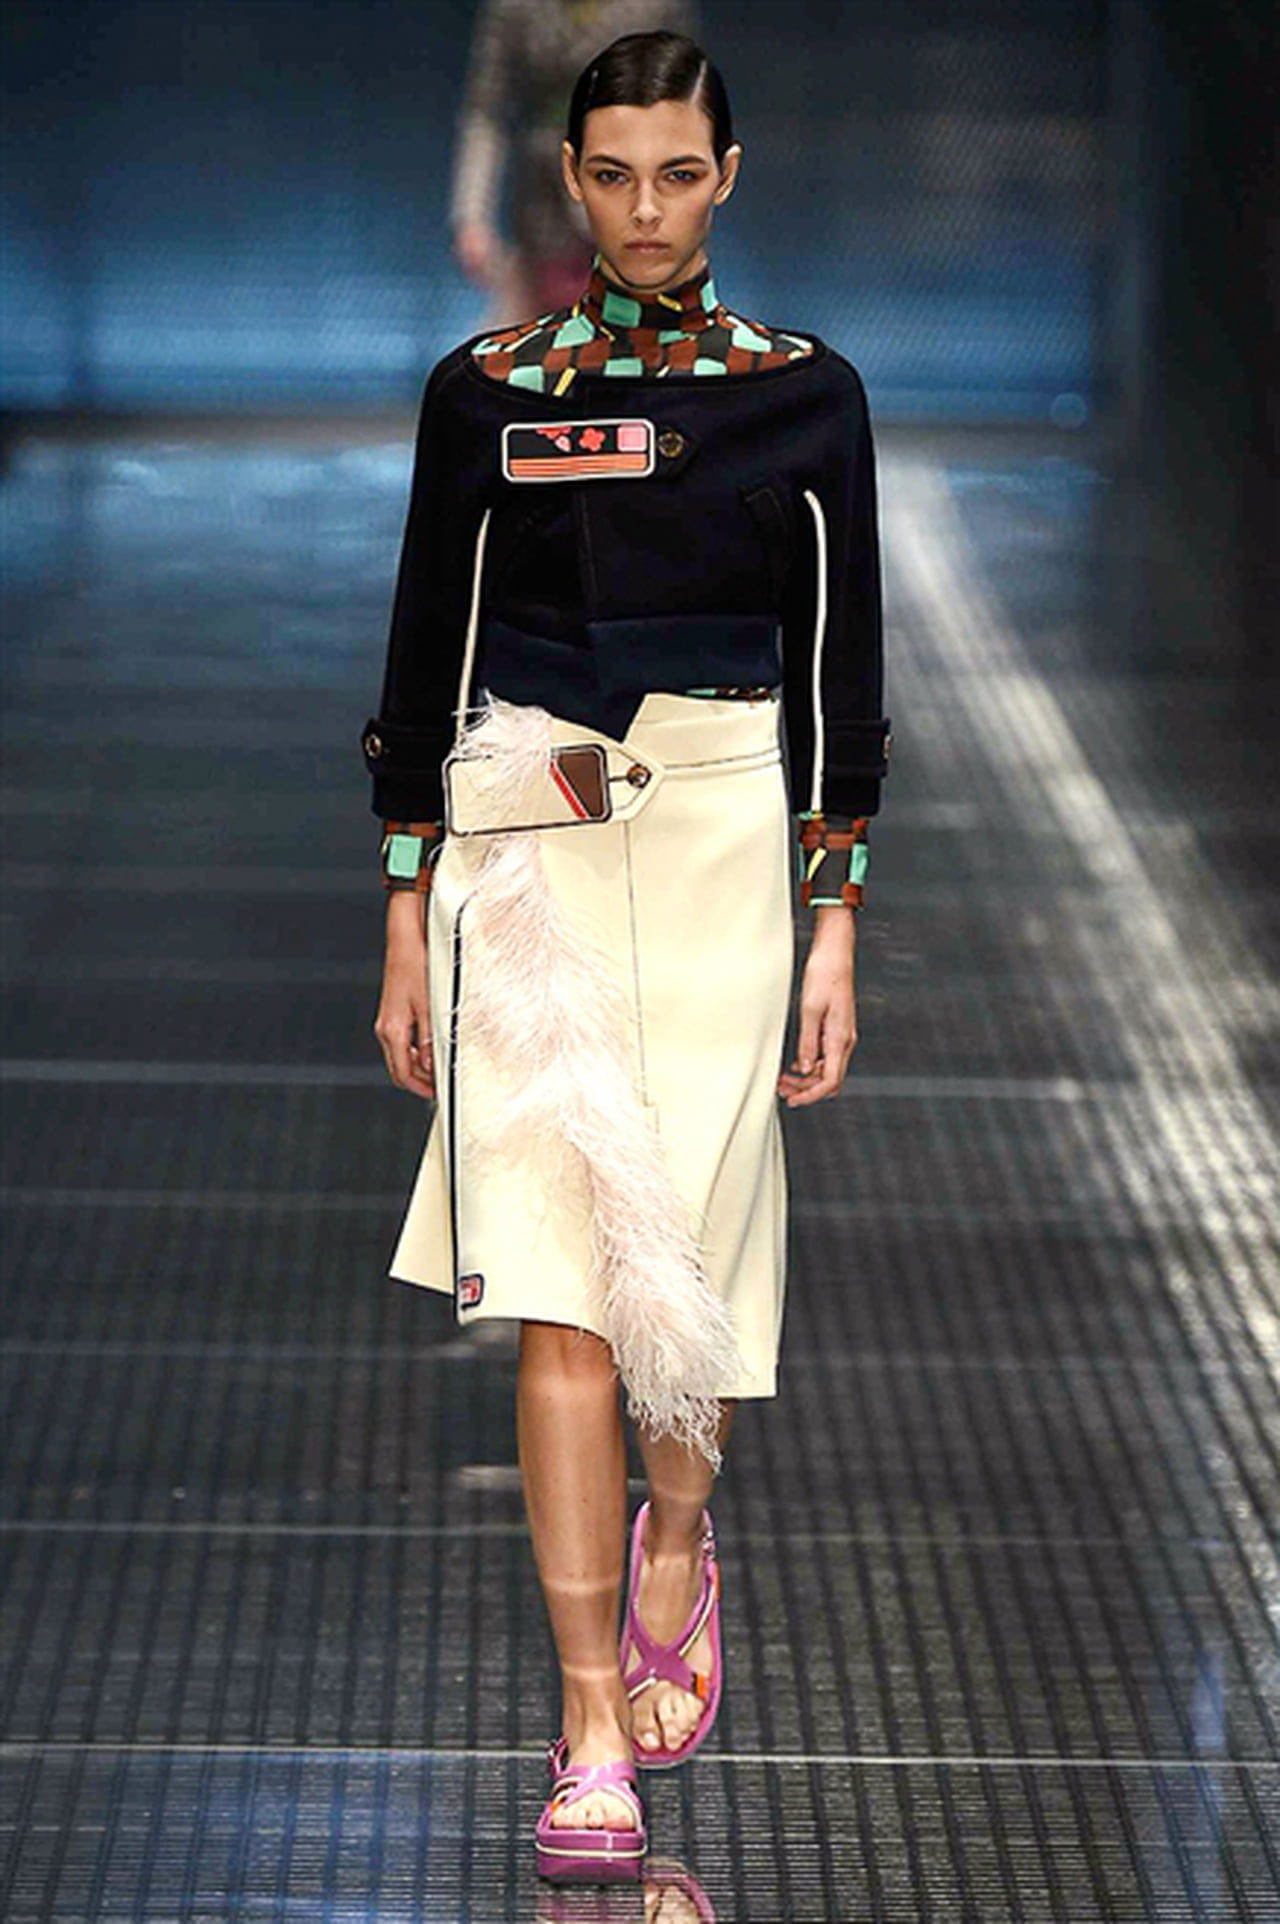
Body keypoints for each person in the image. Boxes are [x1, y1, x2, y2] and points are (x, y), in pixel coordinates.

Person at [361, 30, 890, 1887]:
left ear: (725, 176)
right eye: (613, 176)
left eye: (678, 174)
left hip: (730, 839)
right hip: (532, 838)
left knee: (688, 1276)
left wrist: (835, 917)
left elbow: (841, 666)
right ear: (571, 182)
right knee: (561, 1289)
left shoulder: (804, 396)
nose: (646, 211)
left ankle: (680, 1529)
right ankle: (590, 1720)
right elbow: (426, 647)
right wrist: (408, 901)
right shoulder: (487, 393)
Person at [451, 0, 700, 327]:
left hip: (634, 204)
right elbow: (486, 114)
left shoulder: (657, 6)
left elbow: (684, 112)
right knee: (516, 341)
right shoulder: (515, 8)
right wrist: (472, 216)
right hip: (540, 212)